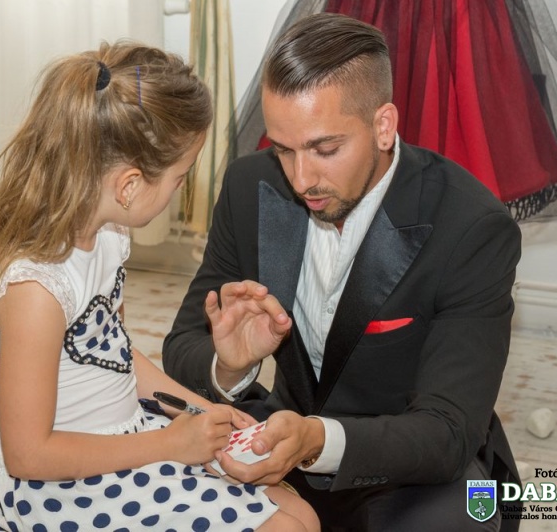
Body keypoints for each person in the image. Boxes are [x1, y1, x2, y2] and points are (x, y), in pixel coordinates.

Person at [162, 13, 522, 532]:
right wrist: (231, 366)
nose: (300, 178)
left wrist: (317, 440)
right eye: (282, 149)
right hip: (276, 435)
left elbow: (447, 430)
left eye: (325, 149)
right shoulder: (249, 187)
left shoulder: (471, 228)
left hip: (408, 467)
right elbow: (182, 348)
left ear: (383, 126)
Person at [0, 42, 319, 532]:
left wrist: (208, 411)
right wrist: (169, 444)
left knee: (302, 516)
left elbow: (114, 355)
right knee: (286, 528)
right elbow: (29, 455)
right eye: (181, 177)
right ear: (129, 185)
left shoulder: (107, 237)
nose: (182, 189)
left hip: (123, 437)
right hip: (53, 488)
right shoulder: (36, 287)